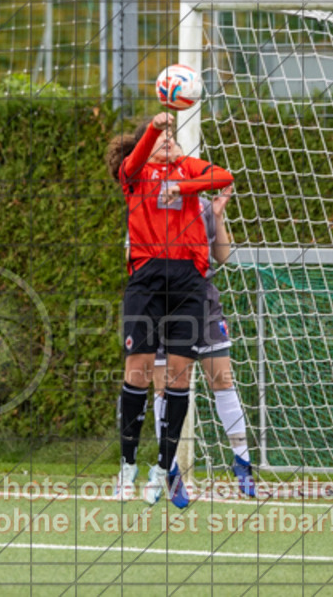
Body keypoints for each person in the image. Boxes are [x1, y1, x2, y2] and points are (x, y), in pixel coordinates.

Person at [106, 112, 234, 508]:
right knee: (138, 370)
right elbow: (137, 155)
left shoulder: (183, 170)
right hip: (146, 279)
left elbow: (224, 176)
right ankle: (126, 467)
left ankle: (162, 468)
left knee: (180, 378)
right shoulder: (135, 174)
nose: (166, 141)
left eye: (171, 137)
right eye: (160, 137)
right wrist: (153, 128)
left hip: (188, 282)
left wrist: (183, 185)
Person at [147, 185, 256, 497]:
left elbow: (222, 256)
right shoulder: (143, 203)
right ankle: (169, 470)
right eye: (161, 145)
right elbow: (133, 258)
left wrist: (218, 217)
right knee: (165, 387)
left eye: (173, 143)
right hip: (161, 306)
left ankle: (242, 462)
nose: (169, 149)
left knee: (223, 379)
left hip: (203, 302)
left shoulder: (203, 205)